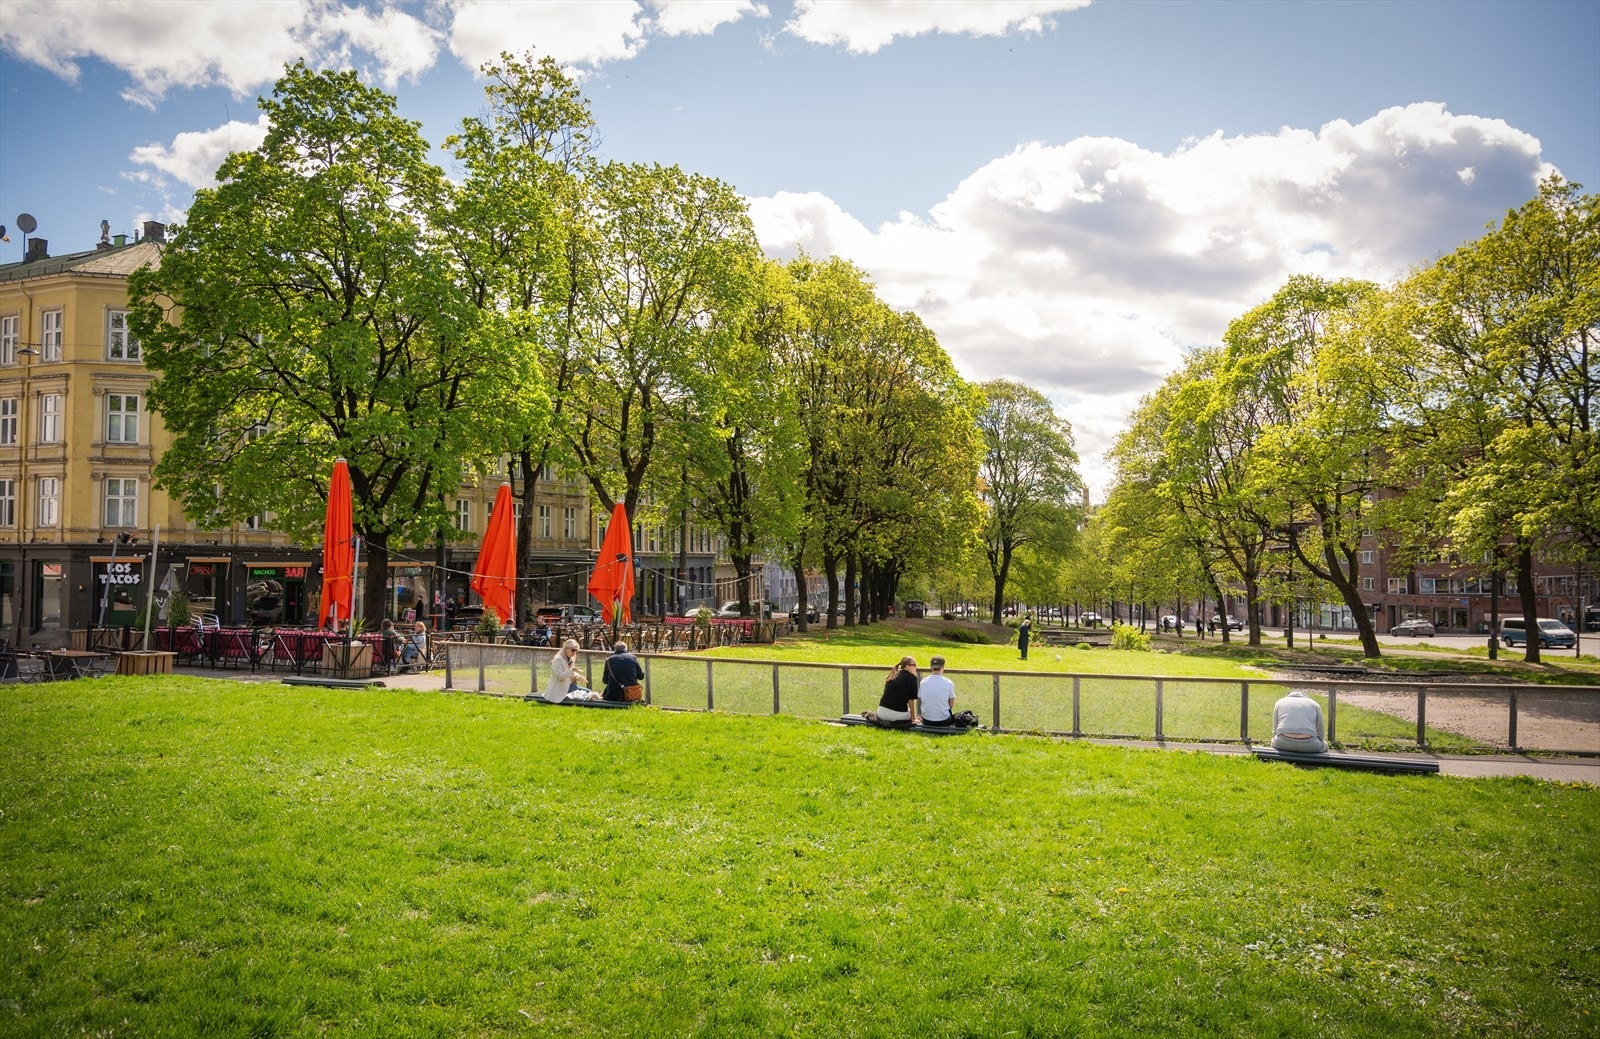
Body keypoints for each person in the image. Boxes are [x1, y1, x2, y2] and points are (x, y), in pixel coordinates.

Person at [1271, 689, 1329, 754]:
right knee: (1325, 745)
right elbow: (1320, 730)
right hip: (1310, 745)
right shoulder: (1314, 704)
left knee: (1273, 740)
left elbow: (1275, 729)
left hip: (1281, 743)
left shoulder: (1279, 702)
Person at [866, 656, 920, 725]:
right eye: (914, 665)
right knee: (911, 714)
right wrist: (913, 717)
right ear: (907, 666)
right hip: (895, 716)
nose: (916, 667)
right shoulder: (912, 678)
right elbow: (911, 700)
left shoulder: (893, 675)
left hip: (881, 713)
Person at [916, 655, 967, 727]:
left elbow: (921, 700)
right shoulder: (948, 683)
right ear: (943, 667)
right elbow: (951, 704)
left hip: (926, 720)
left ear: (931, 667)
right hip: (944, 721)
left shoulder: (923, 682)